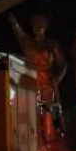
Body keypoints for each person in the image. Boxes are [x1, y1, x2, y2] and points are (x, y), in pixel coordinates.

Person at [8, 13, 68, 142]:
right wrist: (13, 22)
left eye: (40, 27)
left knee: (52, 109)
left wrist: (58, 76)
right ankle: (35, 138)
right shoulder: (28, 43)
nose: (37, 30)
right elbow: (19, 32)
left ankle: (56, 136)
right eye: (35, 27)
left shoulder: (52, 45)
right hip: (31, 79)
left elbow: (62, 63)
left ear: (45, 29)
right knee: (31, 110)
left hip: (48, 79)